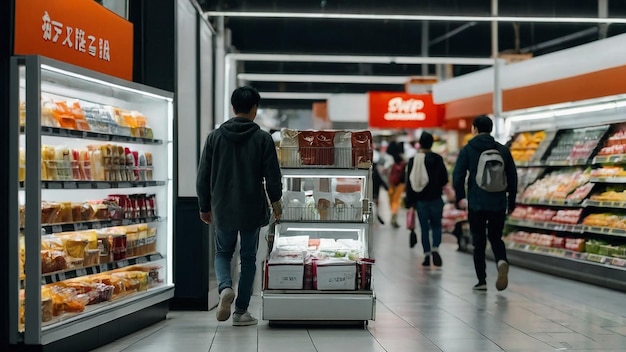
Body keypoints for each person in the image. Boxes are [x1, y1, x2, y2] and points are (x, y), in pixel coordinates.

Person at [196, 86, 283, 326]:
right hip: (252, 207)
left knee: (223, 253)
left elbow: (203, 175)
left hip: (222, 206)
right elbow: (272, 176)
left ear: (233, 108)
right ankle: (241, 311)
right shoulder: (263, 138)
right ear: (255, 109)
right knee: (248, 258)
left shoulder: (214, 137)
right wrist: (276, 203)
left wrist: (204, 206)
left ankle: (225, 288)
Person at [452, 115, 518, 291]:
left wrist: (459, 197)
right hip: (498, 202)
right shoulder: (502, 150)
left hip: (476, 202)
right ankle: (501, 261)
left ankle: (481, 281)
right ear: (491, 129)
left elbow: (458, 175)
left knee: (478, 241)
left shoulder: (468, 149)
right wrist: (511, 200)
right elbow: (512, 176)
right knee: (496, 237)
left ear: (474, 128)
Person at [405, 132, 448, 267]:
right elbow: (444, 179)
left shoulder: (413, 160)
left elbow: (409, 183)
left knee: (424, 228)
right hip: (436, 198)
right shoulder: (438, 159)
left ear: (420, 143)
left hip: (421, 200)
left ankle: (427, 255)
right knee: (436, 225)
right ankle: (436, 247)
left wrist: (410, 203)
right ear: (432, 143)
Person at [386, 143, 406, 228]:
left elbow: (386, 171)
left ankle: (393, 215)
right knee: (396, 200)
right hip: (400, 183)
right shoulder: (403, 160)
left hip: (391, 182)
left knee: (392, 200)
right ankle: (394, 215)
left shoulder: (390, 159)